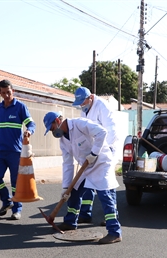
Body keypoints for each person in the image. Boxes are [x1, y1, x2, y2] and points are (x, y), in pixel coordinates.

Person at [42, 111, 122, 244]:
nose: (53, 133)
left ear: (57, 121)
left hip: (101, 163)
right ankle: (70, 222)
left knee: (104, 195)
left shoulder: (79, 124)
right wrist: (66, 187)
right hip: (86, 167)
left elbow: (102, 132)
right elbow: (67, 164)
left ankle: (115, 232)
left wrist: (94, 153)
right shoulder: (63, 141)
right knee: (73, 192)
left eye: (52, 129)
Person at [0, 79, 35, 220]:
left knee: (15, 182)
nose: (7, 95)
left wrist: (29, 130)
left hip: (15, 152)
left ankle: (17, 210)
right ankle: (6, 201)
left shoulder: (20, 107)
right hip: (0, 151)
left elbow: (31, 123)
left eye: (9, 92)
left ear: (13, 91)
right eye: (4, 93)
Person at [72, 87, 122, 225]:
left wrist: (101, 152)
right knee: (88, 179)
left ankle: (112, 215)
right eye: (80, 103)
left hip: (108, 149)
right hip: (92, 150)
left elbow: (111, 131)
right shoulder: (85, 110)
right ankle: (85, 214)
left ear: (91, 98)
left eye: (83, 102)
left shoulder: (102, 106)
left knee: (106, 183)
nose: (82, 105)